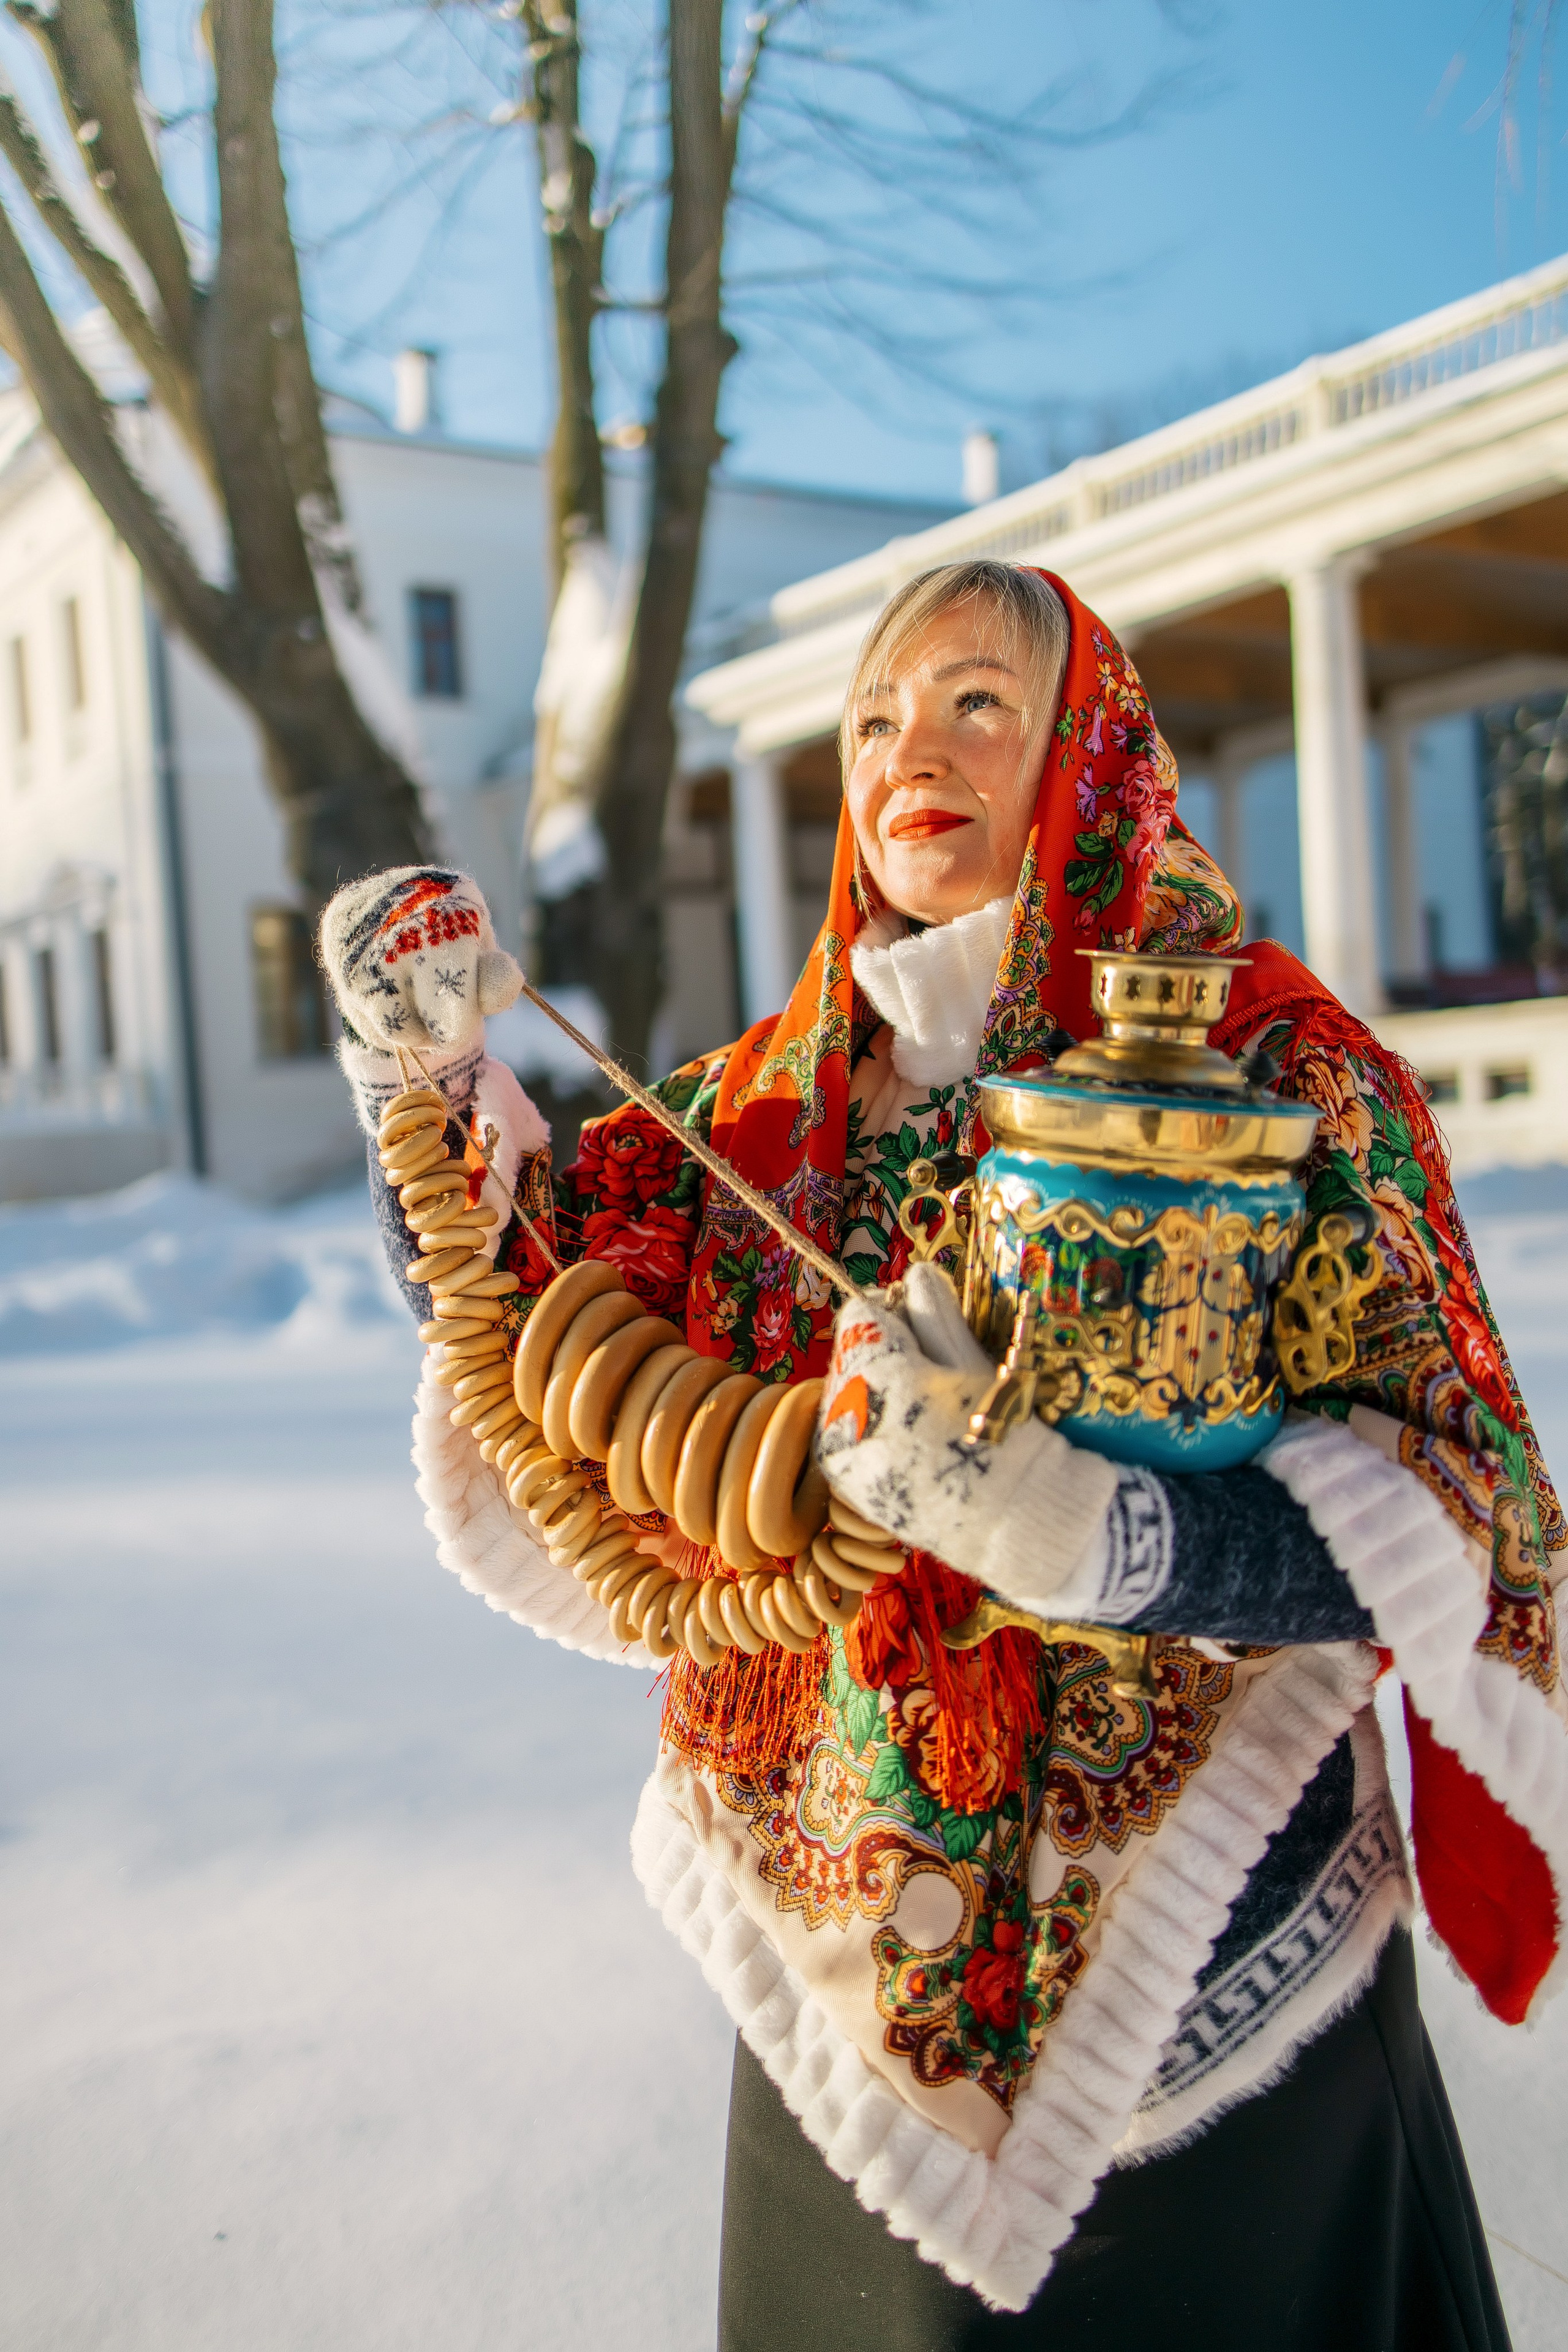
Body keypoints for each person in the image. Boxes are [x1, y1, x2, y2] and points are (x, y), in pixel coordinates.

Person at [320, 562, 1564, 2350]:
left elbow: (1466, 1504)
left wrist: (1101, 1537)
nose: (918, 745)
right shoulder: (760, 1111)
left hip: (1215, 1996)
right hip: (840, 1996)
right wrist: (415, 1081)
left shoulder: (1285, 1073)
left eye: (980, 698)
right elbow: (512, 1315)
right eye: (878, 715)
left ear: (1092, 748)